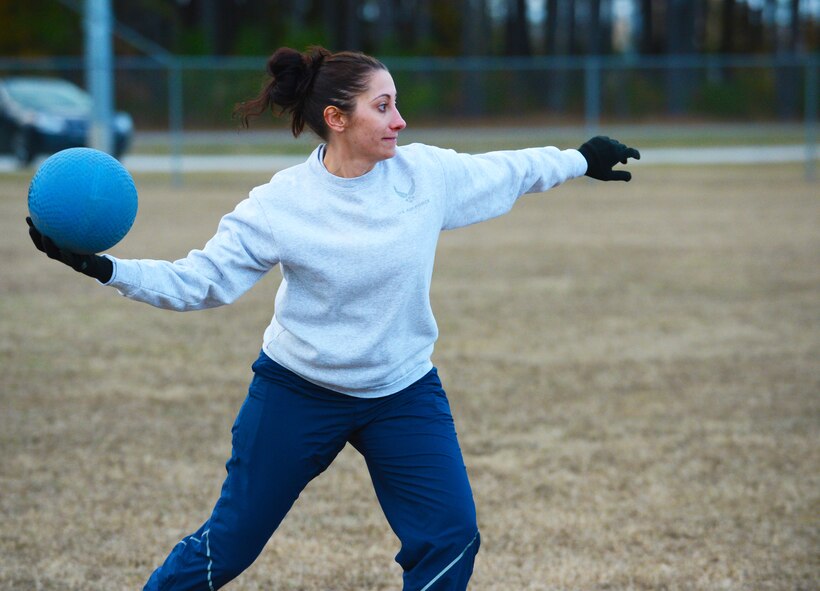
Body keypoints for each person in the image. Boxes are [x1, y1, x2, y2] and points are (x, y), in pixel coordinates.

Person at [27, 46, 639, 591]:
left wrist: (580, 160)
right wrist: (108, 270)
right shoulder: (281, 203)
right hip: (298, 391)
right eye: (383, 107)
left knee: (451, 540)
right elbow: (202, 281)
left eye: (396, 104)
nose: (399, 120)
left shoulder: (425, 176)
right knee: (229, 547)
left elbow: (507, 170)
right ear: (336, 119)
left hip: (401, 391)